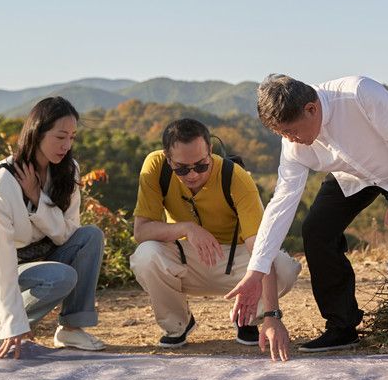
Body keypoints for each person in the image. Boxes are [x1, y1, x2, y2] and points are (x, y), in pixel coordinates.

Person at [226, 75, 388, 355]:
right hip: (352, 174)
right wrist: (257, 271)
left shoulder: (358, 94)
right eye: (282, 134)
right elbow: (282, 203)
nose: (290, 140)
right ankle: (342, 326)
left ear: (311, 109)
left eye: (291, 131)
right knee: (316, 229)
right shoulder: (292, 143)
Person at [129, 118, 301, 359]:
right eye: (181, 169)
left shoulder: (236, 177)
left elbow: (260, 248)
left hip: (234, 261)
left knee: (284, 267)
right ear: (168, 159)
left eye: (201, 166)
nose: (191, 175)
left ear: (210, 151)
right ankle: (177, 324)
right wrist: (188, 228)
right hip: (186, 258)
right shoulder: (155, 167)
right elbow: (141, 231)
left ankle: (248, 318)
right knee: (146, 255)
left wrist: (273, 316)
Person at [0, 97, 106, 359]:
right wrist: (12, 323)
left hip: (33, 264)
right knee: (61, 277)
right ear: (37, 132)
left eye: (72, 137)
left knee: (90, 237)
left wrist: (39, 199)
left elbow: (67, 233)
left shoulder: (68, 170)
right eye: (60, 136)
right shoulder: (2, 184)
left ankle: (71, 329)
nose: (66, 145)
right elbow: (1, 256)